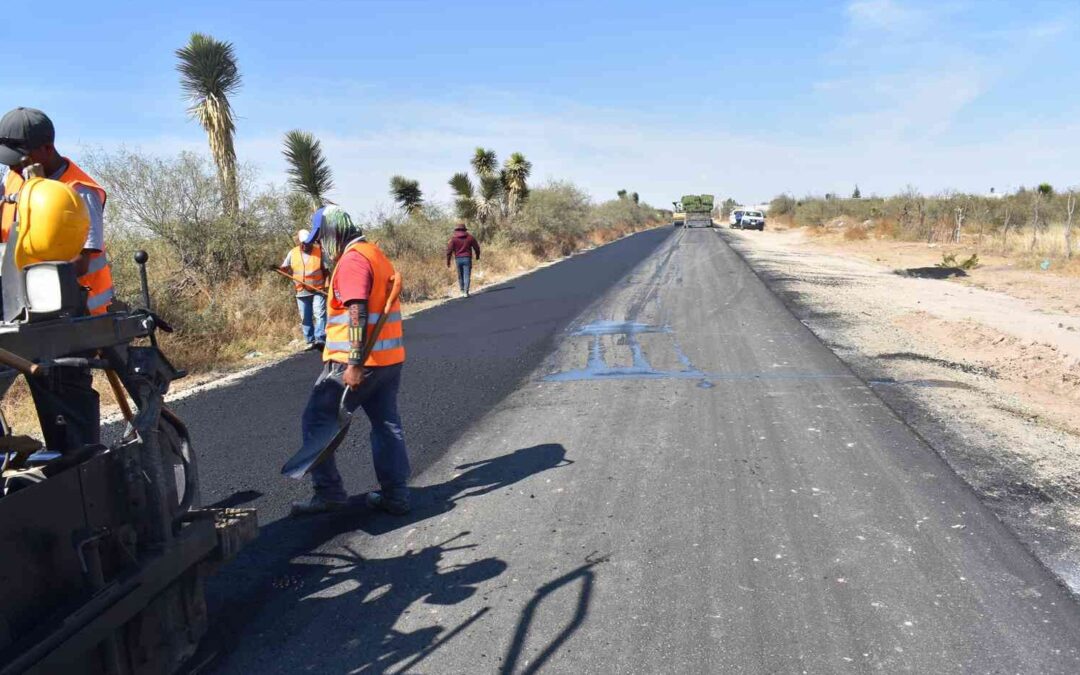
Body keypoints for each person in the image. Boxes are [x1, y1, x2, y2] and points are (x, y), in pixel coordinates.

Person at [0, 107, 114, 453]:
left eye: (19, 159)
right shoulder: (14, 179)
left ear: (46, 149)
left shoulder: (78, 190)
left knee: (63, 400)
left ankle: (81, 466)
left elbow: (82, 261)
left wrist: (35, 280)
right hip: (17, 306)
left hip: (72, 316)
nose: (13, 167)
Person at [291, 206, 411, 516]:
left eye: (321, 238)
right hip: (388, 360)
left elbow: (357, 311)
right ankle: (396, 495)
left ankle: (329, 493)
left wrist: (355, 363)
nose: (321, 245)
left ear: (333, 232)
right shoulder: (374, 253)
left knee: (316, 421)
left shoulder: (352, 260)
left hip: (357, 364)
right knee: (386, 426)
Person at [278, 227, 327, 351]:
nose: (306, 245)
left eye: (308, 243)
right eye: (303, 243)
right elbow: (284, 268)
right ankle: (310, 340)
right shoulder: (293, 253)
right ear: (299, 243)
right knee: (305, 316)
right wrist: (279, 269)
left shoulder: (319, 251)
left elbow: (326, 270)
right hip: (301, 290)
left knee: (319, 313)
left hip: (318, 289)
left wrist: (327, 286)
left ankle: (320, 338)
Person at [445, 223, 480, 297]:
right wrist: (477, 256)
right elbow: (476, 247)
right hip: (467, 258)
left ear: (457, 230)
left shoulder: (453, 239)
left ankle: (462, 290)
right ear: (465, 230)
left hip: (458, 259)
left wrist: (448, 261)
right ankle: (466, 292)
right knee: (467, 275)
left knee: (460, 275)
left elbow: (449, 251)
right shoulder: (470, 237)